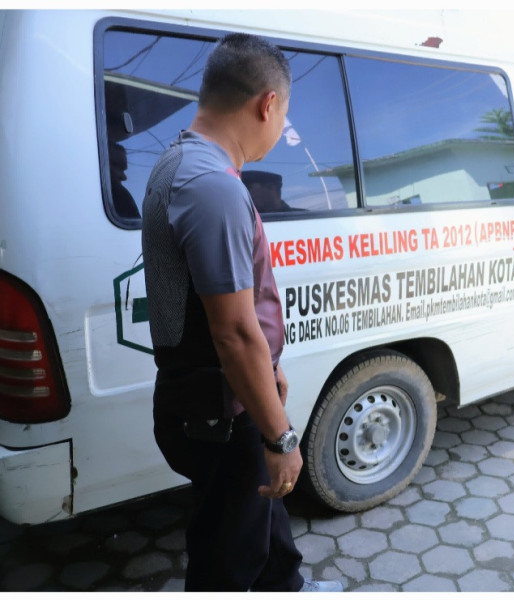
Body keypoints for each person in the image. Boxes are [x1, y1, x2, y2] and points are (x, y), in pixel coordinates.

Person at [141, 33, 342, 592]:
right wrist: (282, 439)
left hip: (223, 396)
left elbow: (233, 316)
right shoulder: (212, 185)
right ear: (267, 104)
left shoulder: (180, 160)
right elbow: (232, 333)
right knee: (226, 557)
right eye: (286, 116)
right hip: (218, 409)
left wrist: (269, 366)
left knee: (261, 519)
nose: (282, 130)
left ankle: (288, 586)